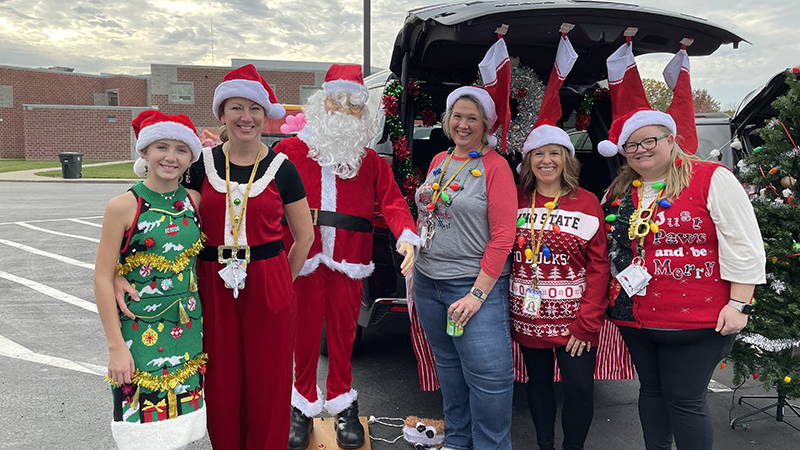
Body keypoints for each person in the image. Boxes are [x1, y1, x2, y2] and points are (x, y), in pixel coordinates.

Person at [118, 64, 315, 449]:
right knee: (221, 379)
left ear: (265, 115)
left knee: (269, 380)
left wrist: (279, 284)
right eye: (236, 108)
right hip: (211, 279)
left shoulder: (282, 168)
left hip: (267, 278)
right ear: (222, 114)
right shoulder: (199, 167)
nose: (246, 117)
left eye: (255, 108)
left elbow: (304, 237)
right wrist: (116, 270)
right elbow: (157, 218)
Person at [599, 108, 766, 449]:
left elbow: (743, 243)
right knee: (652, 392)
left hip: (697, 321)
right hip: (635, 319)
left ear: (671, 140)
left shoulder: (710, 178)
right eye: (630, 145)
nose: (640, 150)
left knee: (685, 400)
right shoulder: (618, 190)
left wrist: (739, 303)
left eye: (649, 140)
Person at [275, 64, 418, 450]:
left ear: (362, 113)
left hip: (350, 261)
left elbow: (392, 200)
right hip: (304, 259)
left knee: (342, 336)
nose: (345, 113)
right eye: (338, 103)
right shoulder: (289, 152)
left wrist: (406, 235)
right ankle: (301, 406)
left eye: (354, 107)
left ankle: (342, 404)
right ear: (323, 104)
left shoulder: (369, 160)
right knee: (303, 337)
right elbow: (265, 199)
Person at [413, 84, 517, 450]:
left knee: (489, 378)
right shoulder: (439, 161)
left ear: (485, 124)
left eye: (472, 118)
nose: (463, 124)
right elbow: (429, 214)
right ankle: (458, 441)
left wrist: (477, 294)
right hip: (428, 282)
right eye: (457, 116)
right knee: (450, 368)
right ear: (447, 120)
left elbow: (504, 237)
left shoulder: (496, 166)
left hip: (471, 287)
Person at [95, 110, 207, 450]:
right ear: (144, 152)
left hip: (187, 330)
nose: (171, 157)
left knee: (179, 425)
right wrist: (115, 347)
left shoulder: (194, 201)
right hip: (138, 333)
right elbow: (101, 278)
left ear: (191, 158)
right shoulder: (123, 206)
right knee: (142, 430)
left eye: (181, 149)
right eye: (162, 147)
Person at [511, 120, 610, 450]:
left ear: (567, 159)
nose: (546, 160)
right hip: (529, 316)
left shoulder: (586, 202)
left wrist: (587, 323)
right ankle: (545, 445)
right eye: (538, 154)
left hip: (575, 321)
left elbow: (599, 267)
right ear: (528, 161)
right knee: (537, 383)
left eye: (554, 152)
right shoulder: (516, 200)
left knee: (580, 387)